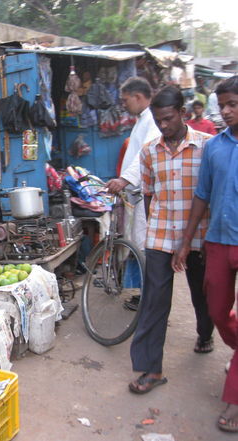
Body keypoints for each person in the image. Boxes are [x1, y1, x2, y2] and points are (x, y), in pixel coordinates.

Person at [128, 85, 214, 394]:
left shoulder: (208, 147)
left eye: (168, 119)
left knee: (202, 297)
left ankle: (205, 334)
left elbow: (213, 195)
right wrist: (154, 228)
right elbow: (149, 194)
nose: (163, 126)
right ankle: (151, 370)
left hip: (199, 237)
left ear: (183, 114)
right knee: (154, 302)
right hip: (162, 236)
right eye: (158, 120)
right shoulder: (150, 150)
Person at [172, 75, 238, 432]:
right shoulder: (215, 147)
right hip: (218, 240)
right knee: (215, 308)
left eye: (232, 104)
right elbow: (202, 196)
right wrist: (186, 242)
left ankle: (234, 401)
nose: (225, 112)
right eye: (223, 105)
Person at [106, 77, 160, 310]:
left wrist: (124, 179)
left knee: (145, 247)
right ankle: (144, 294)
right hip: (138, 194)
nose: (124, 105)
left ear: (138, 97)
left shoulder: (153, 121)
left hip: (146, 195)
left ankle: (151, 299)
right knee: (139, 245)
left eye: (126, 100)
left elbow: (146, 154)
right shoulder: (143, 120)